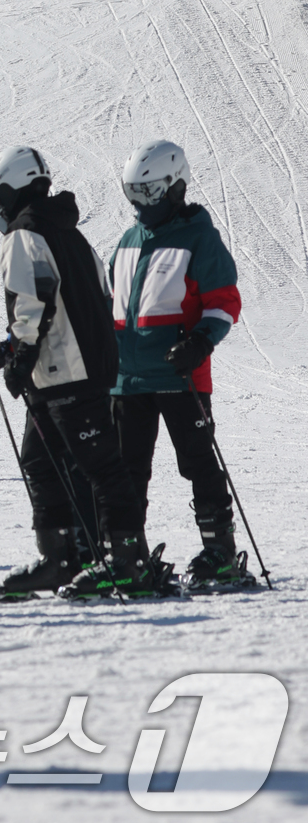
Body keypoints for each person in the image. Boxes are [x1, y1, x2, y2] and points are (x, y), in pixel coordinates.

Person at [0, 148, 157, 600]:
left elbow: (31, 306)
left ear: (10, 189)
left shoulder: (25, 235)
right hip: (76, 370)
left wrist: (18, 359)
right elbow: (85, 298)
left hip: (66, 375)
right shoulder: (68, 234)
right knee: (41, 461)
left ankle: (126, 561)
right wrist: (12, 352)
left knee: (101, 468)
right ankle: (61, 557)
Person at [108, 143, 249, 590]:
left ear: (175, 187)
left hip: (181, 376)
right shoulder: (128, 241)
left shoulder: (198, 238)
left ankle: (219, 552)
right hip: (127, 381)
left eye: (148, 192)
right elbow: (110, 307)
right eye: (133, 192)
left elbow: (224, 301)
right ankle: (129, 558)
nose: (139, 203)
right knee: (127, 472)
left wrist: (201, 342)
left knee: (197, 463)